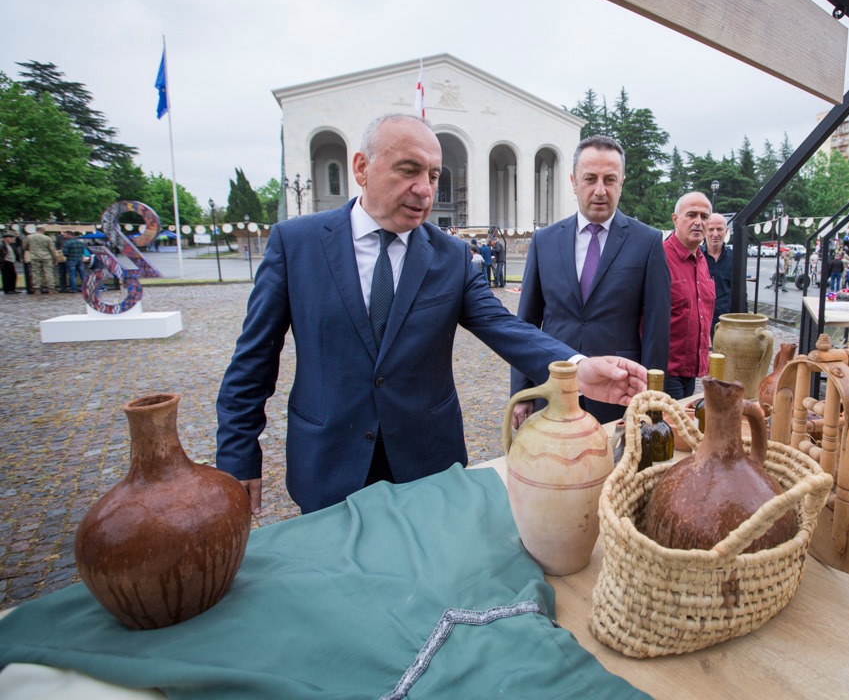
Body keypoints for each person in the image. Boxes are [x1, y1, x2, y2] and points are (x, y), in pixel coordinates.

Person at [215, 114, 647, 515]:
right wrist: (237, 456)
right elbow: (254, 360)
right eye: (409, 170)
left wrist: (577, 368)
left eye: (434, 175)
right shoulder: (296, 245)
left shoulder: (451, 257)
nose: (425, 189)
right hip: (329, 464)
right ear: (362, 167)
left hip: (426, 464)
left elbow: (504, 326)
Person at [511, 134, 670, 426]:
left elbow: (656, 329)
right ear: (573, 182)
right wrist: (522, 390)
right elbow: (526, 323)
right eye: (590, 179)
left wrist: (651, 398)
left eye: (610, 180)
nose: (600, 190)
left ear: (621, 182)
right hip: (553, 386)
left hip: (619, 392)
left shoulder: (647, 242)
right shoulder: (544, 241)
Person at [664, 191, 716, 399]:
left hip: (692, 371)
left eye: (704, 217)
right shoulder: (660, 258)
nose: (698, 222)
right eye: (691, 215)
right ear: (675, 219)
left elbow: (703, 312)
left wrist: (708, 350)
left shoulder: (702, 260)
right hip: (666, 371)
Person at [704, 213, 732, 333]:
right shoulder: (696, 257)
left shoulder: (735, 257)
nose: (715, 234)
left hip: (727, 321)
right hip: (703, 320)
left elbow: (741, 293)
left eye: (719, 229)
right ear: (705, 231)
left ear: (726, 231)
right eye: (711, 229)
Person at [22, 227, 56, 295]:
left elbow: (24, 247)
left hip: (34, 257)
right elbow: (52, 249)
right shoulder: (47, 238)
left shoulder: (29, 237)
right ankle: (51, 288)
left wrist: (31, 249)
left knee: (36, 272)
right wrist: (55, 258)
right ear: (43, 230)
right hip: (46, 257)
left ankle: (37, 289)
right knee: (48, 272)